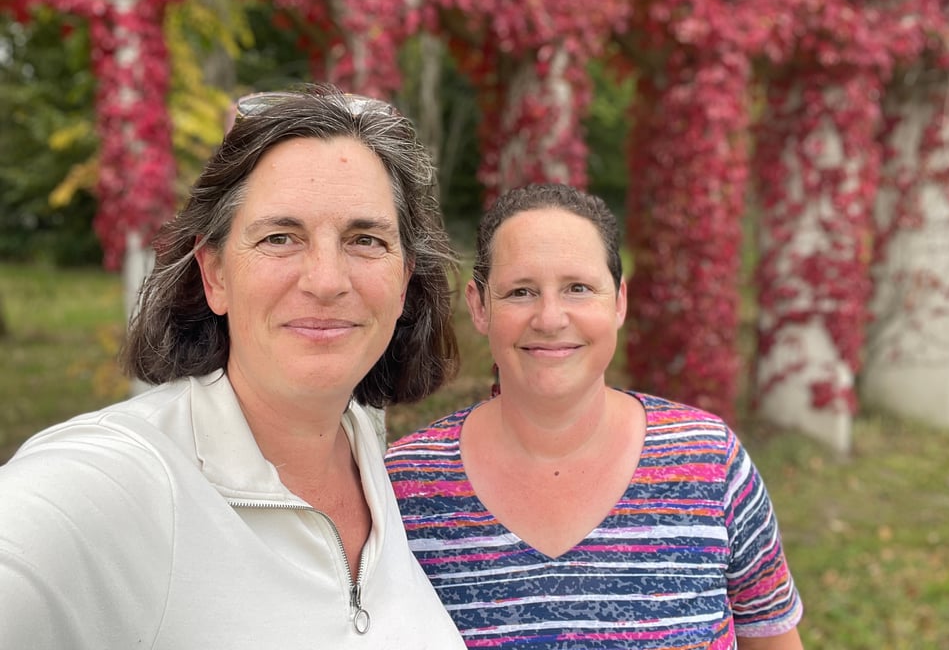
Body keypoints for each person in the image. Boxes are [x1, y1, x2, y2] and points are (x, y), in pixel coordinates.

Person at [0, 85, 468, 649]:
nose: (326, 280)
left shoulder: (362, 440)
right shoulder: (117, 479)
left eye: (365, 239)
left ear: (403, 279)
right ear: (216, 273)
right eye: (279, 237)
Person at [386, 183, 804, 649]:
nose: (550, 318)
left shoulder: (710, 462)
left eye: (578, 288)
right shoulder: (404, 487)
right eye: (521, 291)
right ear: (479, 306)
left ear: (619, 301)